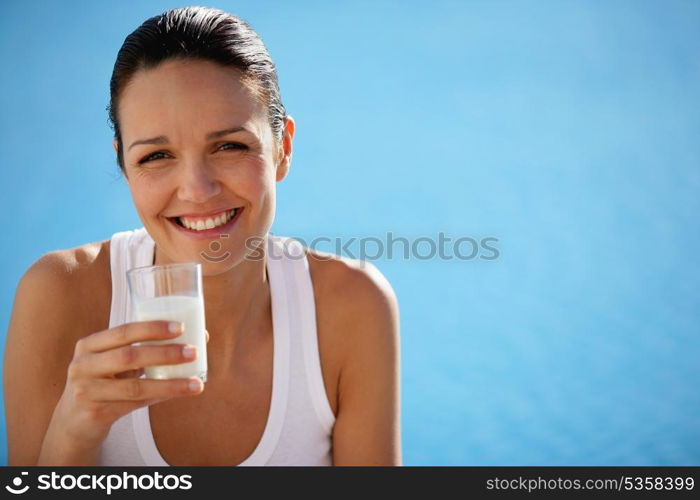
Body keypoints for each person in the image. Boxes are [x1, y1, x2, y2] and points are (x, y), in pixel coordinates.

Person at [3, 6, 401, 466]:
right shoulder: (59, 295)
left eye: (229, 146)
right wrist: (73, 431)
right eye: (156, 156)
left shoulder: (352, 305)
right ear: (124, 167)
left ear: (283, 149)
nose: (198, 190)